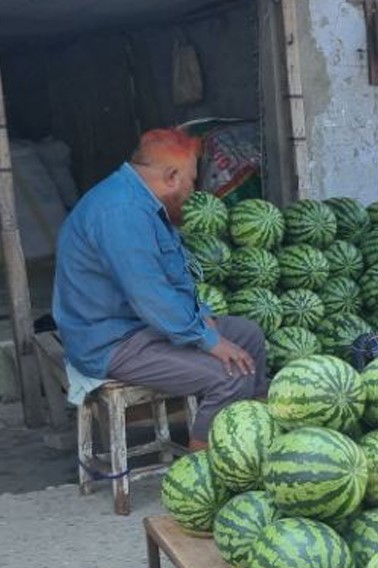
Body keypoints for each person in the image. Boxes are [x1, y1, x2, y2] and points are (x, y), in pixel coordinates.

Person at [52, 128, 267, 450]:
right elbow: (149, 294)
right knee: (230, 376)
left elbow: (171, 279)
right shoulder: (122, 212)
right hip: (111, 341)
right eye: (192, 182)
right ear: (171, 176)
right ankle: (205, 468)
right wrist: (206, 339)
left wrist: (201, 317)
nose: (194, 192)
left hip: (141, 326)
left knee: (248, 335)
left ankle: (257, 435)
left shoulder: (144, 203)